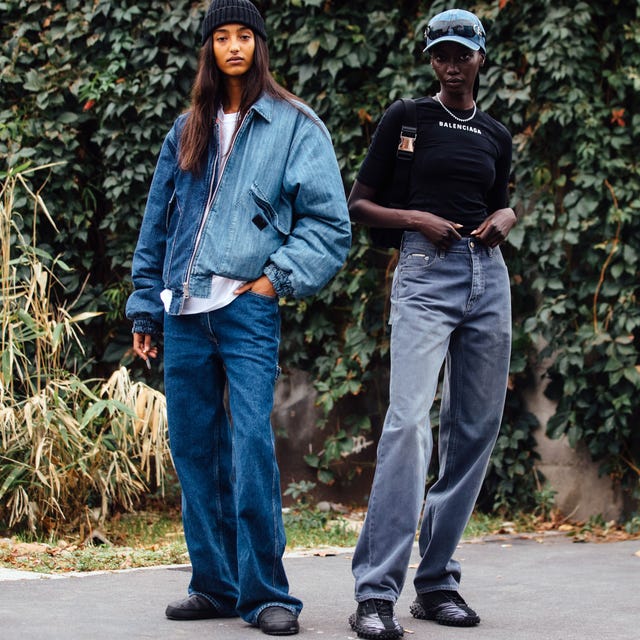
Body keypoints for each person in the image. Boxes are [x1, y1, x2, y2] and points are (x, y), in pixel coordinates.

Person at [125, 0, 351, 635]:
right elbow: (157, 226)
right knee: (194, 448)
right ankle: (215, 584)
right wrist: (147, 304)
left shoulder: (294, 125)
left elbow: (329, 226)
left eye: (243, 36)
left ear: (259, 45)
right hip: (184, 313)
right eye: (220, 37)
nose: (232, 46)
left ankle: (267, 594)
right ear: (209, 49)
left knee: (251, 445)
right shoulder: (187, 127)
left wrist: (273, 282)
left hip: (246, 311)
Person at [347, 9, 516, 639]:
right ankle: (374, 594)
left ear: (479, 59)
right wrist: (416, 219)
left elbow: (497, 199)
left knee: (474, 430)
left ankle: (436, 582)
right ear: (430, 60)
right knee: (409, 422)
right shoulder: (407, 117)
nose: (451, 64)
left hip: (487, 277)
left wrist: (508, 216)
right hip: (424, 271)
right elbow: (358, 204)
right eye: (440, 54)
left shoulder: (496, 134)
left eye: (461, 54)